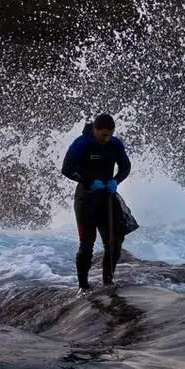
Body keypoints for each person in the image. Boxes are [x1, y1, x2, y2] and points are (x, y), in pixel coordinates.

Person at [61, 113, 131, 289]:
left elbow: (125, 166)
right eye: (103, 135)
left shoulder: (115, 144)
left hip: (107, 196)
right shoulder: (83, 143)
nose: (106, 139)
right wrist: (90, 181)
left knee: (114, 242)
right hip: (86, 198)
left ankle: (108, 282)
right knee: (86, 245)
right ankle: (83, 286)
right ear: (95, 130)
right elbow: (66, 169)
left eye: (109, 135)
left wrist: (116, 180)